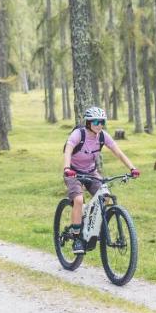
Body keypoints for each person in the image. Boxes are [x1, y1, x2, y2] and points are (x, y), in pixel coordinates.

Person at [62, 105, 138, 254]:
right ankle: (77, 238)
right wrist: (66, 168)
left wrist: (132, 168)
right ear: (88, 122)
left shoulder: (103, 136)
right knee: (78, 200)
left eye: (102, 122)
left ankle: (89, 226)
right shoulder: (79, 134)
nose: (99, 125)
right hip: (74, 172)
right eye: (96, 122)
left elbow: (119, 153)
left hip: (91, 172)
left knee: (105, 197)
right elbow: (68, 150)